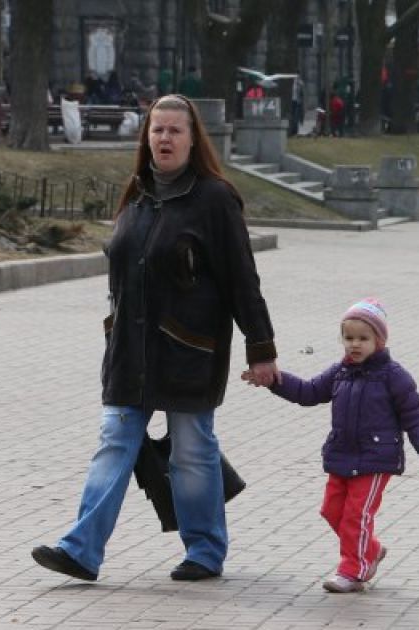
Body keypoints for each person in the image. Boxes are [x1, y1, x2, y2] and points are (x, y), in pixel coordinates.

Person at [29, 94, 279, 583]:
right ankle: (81, 549)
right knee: (114, 441)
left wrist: (261, 349)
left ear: (192, 139)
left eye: (175, 130)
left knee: (191, 449)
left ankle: (205, 550)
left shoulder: (214, 199)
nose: (164, 138)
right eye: (157, 130)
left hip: (189, 349)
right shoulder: (137, 194)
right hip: (129, 349)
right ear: (147, 137)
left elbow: (242, 280)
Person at [248, 298, 419, 593]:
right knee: (332, 510)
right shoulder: (340, 372)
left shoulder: (394, 376)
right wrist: (274, 380)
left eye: (363, 338)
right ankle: (370, 550)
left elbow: (414, 414)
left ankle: (354, 570)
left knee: (356, 515)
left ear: (379, 340)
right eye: (349, 338)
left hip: (376, 459)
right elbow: (308, 392)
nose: (355, 345)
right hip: (342, 455)